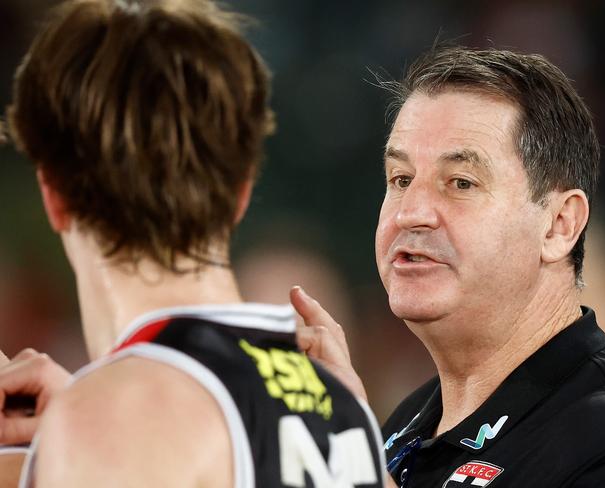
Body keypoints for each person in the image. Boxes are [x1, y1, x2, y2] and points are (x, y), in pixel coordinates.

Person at [2, 0, 386, 486]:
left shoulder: (121, 415)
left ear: (53, 195)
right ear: (242, 192)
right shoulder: (344, 409)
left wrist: (94, 415)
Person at [292, 45, 605, 487]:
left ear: (559, 225)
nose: (411, 212)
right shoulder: (409, 424)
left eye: (461, 183)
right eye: (401, 179)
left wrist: (355, 458)